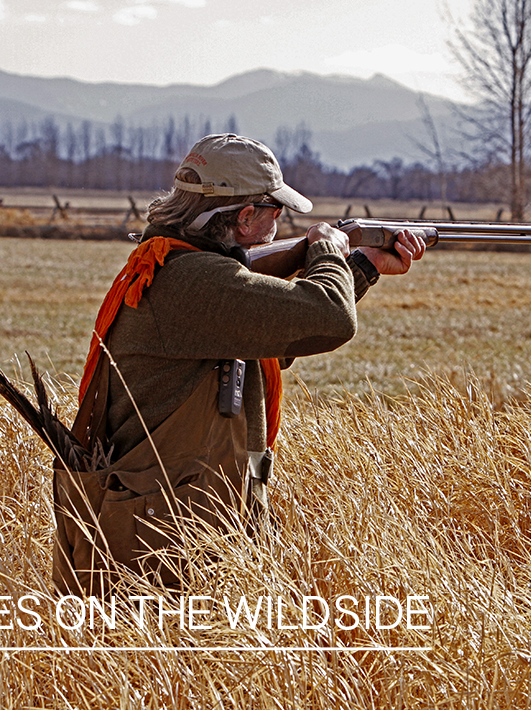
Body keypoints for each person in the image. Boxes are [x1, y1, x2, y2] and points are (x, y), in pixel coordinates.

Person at [53, 133, 424, 593]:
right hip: (162, 538)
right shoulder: (194, 279)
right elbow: (329, 319)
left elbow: (277, 334)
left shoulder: (181, 268)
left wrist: (362, 269)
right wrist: (327, 250)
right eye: (277, 210)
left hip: (170, 517)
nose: (279, 222)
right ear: (246, 217)